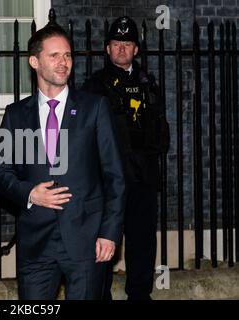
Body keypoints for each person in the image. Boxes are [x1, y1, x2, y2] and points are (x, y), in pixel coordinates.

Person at [0, 24, 125, 300]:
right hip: (36, 243)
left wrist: (109, 233)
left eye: (68, 56)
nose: (63, 63)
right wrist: (29, 193)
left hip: (87, 241)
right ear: (34, 61)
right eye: (54, 56)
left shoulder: (94, 108)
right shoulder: (16, 114)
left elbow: (115, 176)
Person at [82, 16, 170, 300]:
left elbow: (158, 129)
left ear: (136, 49)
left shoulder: (148, 83)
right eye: (116, 43)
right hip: (108, 179)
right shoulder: (94, 87)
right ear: (107, 49)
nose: (121, 48)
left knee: (142, 243)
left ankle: (140, 295)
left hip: (143, 176)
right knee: (105, 241)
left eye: (127, 43)